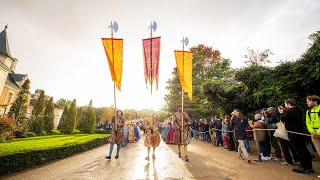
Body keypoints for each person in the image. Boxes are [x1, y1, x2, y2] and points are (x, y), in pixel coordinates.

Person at [279, 99, 314, 174]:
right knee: (304, 149)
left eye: (285, 104)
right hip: (300, 131)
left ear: (289, 104)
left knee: (299, 150)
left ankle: (304, 166)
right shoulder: (299, 110)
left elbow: (282, 119)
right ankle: (309, 167)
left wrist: (281, 112)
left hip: (293, 133)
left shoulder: (290, 111)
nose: (285, 105)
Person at [305, 95, 320, 177]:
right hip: (314, 134)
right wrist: (312, 131)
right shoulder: (308, 112)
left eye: (309, 101)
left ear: (315, 101)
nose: (307, 102)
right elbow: (308, 123)